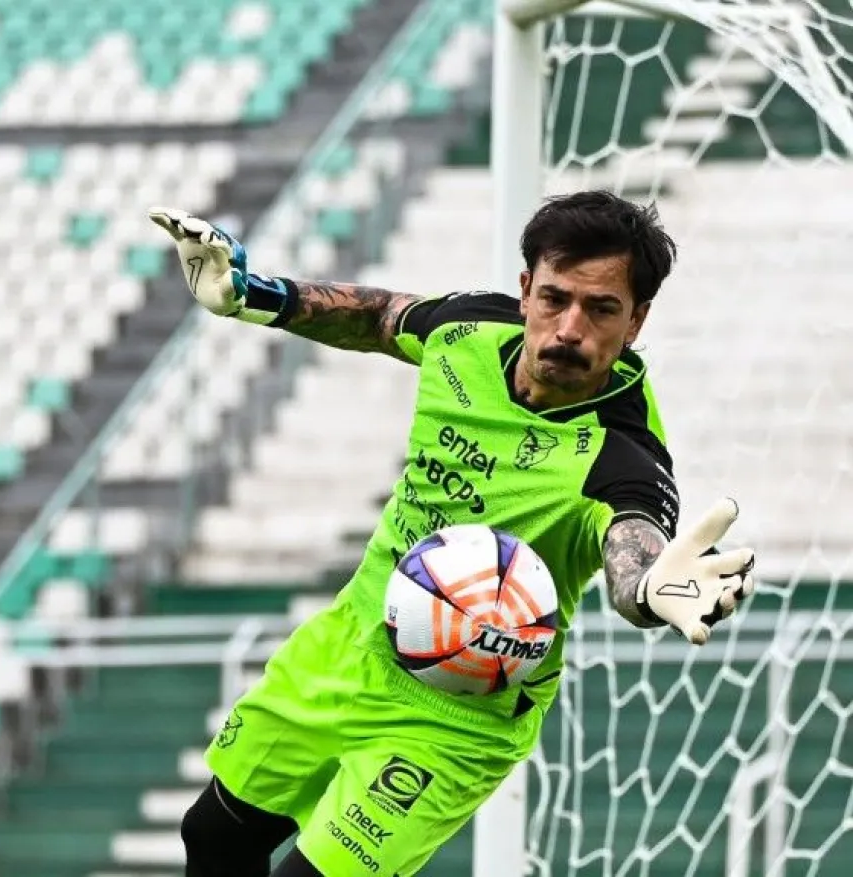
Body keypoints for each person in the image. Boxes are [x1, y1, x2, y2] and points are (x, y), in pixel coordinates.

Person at [149, 191, 755, 877]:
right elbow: (381, 315)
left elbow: (634, 545)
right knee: (214, 835)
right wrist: (256, 296)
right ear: (525, 290)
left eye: (602, 308)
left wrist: (647, 588)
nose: (568, 327)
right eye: (555, 298)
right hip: (351, 643)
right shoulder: (468, 331)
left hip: (456, 719)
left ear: (637, 320)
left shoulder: (623, 456)